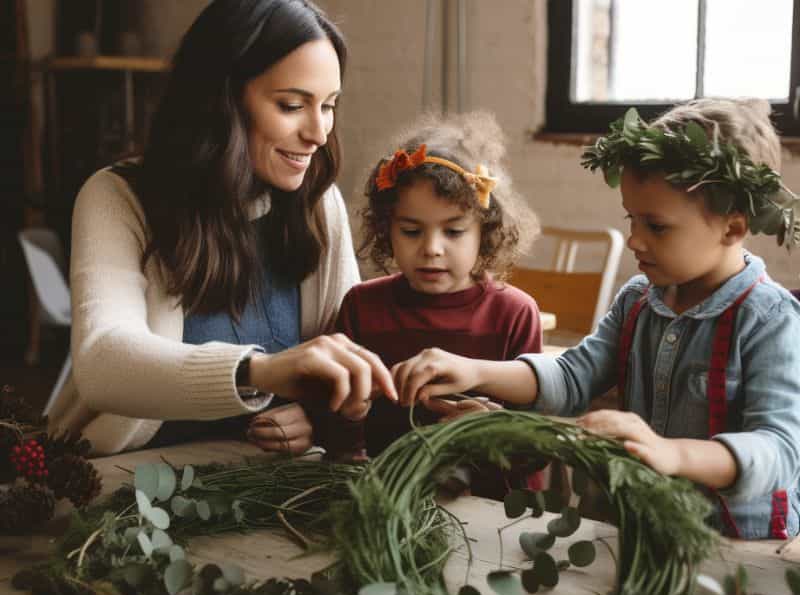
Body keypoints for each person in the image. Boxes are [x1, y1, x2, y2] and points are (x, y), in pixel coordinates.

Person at [391, 98, 800, 539]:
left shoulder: (769, 319)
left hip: (739, 544)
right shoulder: (638, 301)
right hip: (641, 531)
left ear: (732, 228)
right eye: (632, 218)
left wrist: (672, 454)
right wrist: (473, 370)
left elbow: (779, 450)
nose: (633, 239)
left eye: (656, 226)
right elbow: (571, 376)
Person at [46, 0, 396, 457]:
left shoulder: (317, 203)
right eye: (292, 105)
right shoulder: (116, 197)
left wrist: (318, 414)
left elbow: (346, 357)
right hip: (128, 476)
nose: (319, 132)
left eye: (329, 105)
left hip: (264, 480)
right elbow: (104, 363)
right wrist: (260, 371)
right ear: (222, 99)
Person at [314, 112, 543, 496]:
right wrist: (349, 416)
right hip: (389, 504)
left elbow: (537, 450)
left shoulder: (514, 313)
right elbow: (332, 438)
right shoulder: (362, 307)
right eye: (411, 231)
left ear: (485, 233)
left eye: (453, 231)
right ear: (386, 230)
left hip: (493, 513)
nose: (431, 249)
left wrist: (494, 429)